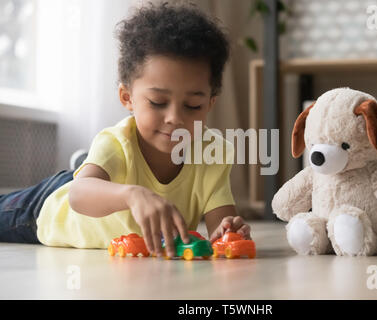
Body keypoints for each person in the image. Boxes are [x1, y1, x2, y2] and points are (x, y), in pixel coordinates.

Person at [0, 2, 251, 258]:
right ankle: (90, 167)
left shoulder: (212, 153)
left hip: (97, 182)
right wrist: (132, 195)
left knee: (94, 174)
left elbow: (220, 228)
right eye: (157, 103)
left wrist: (230, 231)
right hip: (47, 210)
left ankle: (90, 165)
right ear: (127, 97)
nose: (175, 118)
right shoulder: (118, 141)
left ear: (210, 103)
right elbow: (78, 194)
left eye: (193, 106)